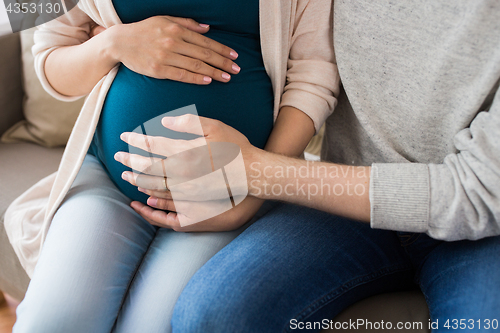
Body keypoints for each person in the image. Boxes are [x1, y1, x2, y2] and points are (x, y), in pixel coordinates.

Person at [114, 1, 500, 331]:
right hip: (343, 200)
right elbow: (54, 19)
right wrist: (108, 40)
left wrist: (255, 174)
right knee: (210, 316)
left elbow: (475, 194)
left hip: (480, 233)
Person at [6, 0, 338, 332]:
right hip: (110, 181)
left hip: (225, 198)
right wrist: (113, 44)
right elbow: (49, 58)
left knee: (153, 326)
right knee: (51, 322)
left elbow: (313, 75)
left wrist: (253, 191)